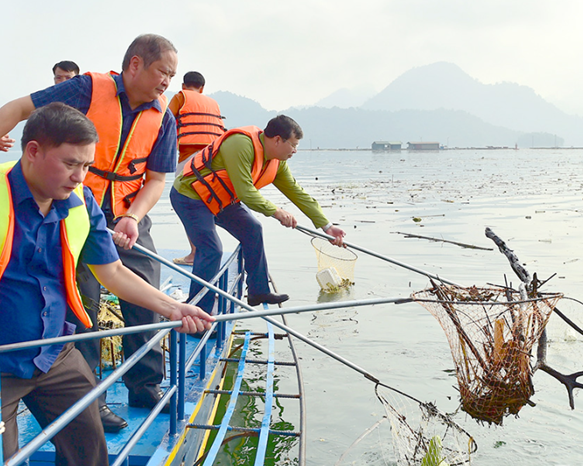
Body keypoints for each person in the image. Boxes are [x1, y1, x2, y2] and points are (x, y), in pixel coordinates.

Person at [0, 103, 213, 465]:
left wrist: (173, 307)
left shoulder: (82, 201)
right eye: (70, 164)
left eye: (86, 166)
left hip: (56, 351)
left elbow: (112, 272)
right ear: (32, 151)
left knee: (89, 450)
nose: (80, 177)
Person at [0, 33, 179, 432]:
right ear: (135, 64)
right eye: (162, 72)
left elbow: (155, 179)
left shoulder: (162, 117)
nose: (167, 81)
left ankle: (145, 384)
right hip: (72, 209)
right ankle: (89, 398)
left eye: (172, 75)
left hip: (127, 212)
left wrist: (133, 215)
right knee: (83, 301)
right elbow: (18, 108)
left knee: (147, 285)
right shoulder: (85, 89)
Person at [170, 115, 346, 314]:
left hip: (221, 199)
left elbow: (297, 193)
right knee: (211, 250)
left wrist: (327, 226)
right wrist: (277, 212)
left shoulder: (276, 162)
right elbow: (246, 192)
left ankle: (258, 292)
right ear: (278, 139)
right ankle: (197, 313)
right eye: (293, 145)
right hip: (191, 196)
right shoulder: (240, 144)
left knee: (252, 229)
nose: (295, 151)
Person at [167, 71, 225, 266]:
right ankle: (202, 249)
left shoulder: (180, 97)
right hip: (212, 160)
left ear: (184, 86)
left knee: (187, 205)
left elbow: (164, 121)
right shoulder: (213, 103)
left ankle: (194, 253)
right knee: (202, 206)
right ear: (202, 88)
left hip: (189, 159)